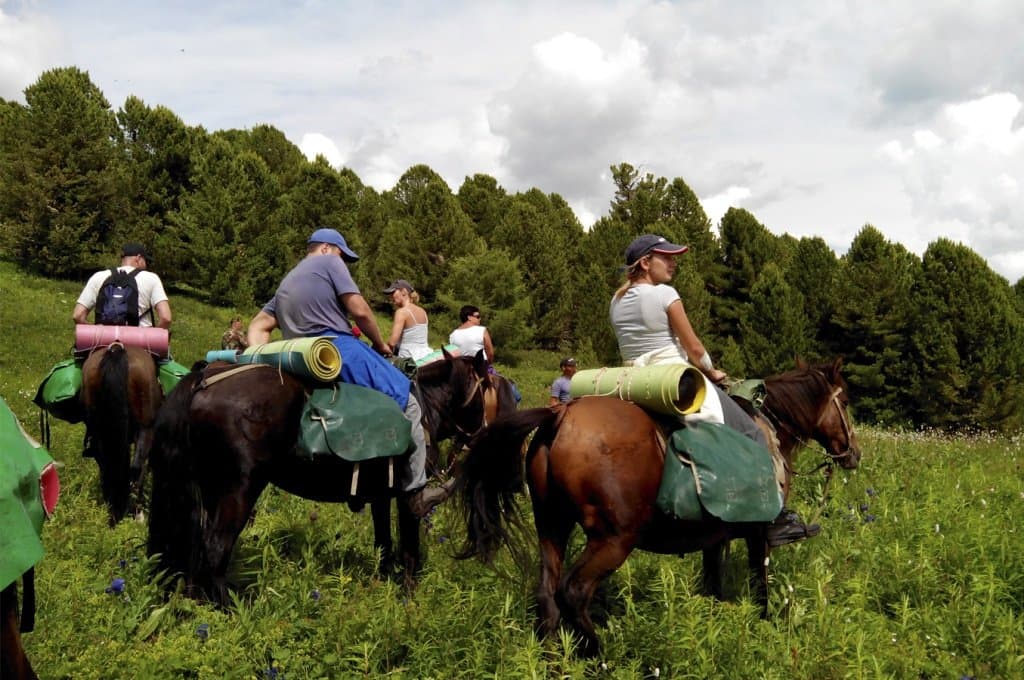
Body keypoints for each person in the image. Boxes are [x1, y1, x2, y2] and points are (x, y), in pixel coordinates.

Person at [609, 233, 819, 547]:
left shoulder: (617, 300)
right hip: (677, 381)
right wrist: (712, 370)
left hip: (635, 383)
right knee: (753, 433)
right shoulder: (665, 294)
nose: (673, 262)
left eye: (673, 256)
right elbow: (694, 349)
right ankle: (773, 519)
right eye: (665, 257)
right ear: (644, 262)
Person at [247, 227, 451, 517]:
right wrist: (381, 345)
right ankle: (416, 491)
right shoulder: (329, 262)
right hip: (337, 348)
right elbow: (361, 311)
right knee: (409, 400)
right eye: (343, 256)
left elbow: (257, 326)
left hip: (300, 353)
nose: (343, 262)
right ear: (328, 248)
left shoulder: (286, 283)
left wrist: (262, 357)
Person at [72, 243, 172, 329]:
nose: (146, 265)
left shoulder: (99, 276)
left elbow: (78, 315)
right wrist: (154, 336)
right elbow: (166, 318)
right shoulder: (151, 278)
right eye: (145, 261)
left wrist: (95, 331)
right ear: (138, 258)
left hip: (103, 337)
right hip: (140, 339)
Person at [383, 279, 434, 362]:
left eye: (393, 293)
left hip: (408, 359)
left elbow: (392, 343)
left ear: (403, 292)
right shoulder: (423, 311)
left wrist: (380, 348)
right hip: (426, 357)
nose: (391, 297)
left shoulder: (401, 312)